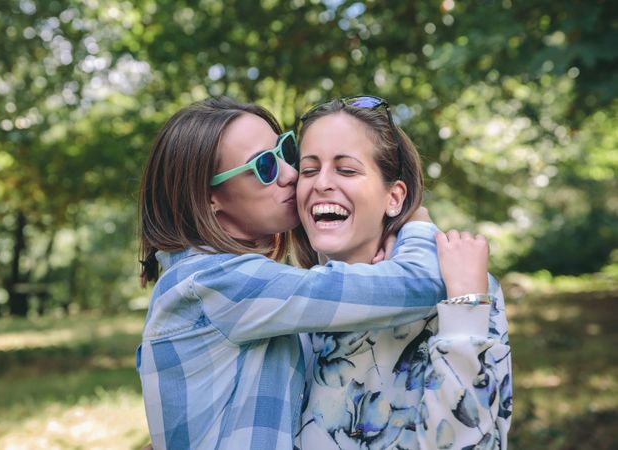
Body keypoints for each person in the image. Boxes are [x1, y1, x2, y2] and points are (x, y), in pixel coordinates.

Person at [135, 96, 485, 450]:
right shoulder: (219, 284)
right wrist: (418, 223)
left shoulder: (235, 293)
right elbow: (419, 284)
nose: (291, 174)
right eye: (264, 167)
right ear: (209, 197)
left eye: (285, 152)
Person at [292, 96, 512, 449]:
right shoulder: (283, 299)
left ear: (394, 198)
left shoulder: (461, 291)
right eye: (309, 169)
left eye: (346, 169)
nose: (322, 183)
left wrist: (465, 310)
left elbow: (474, 441)